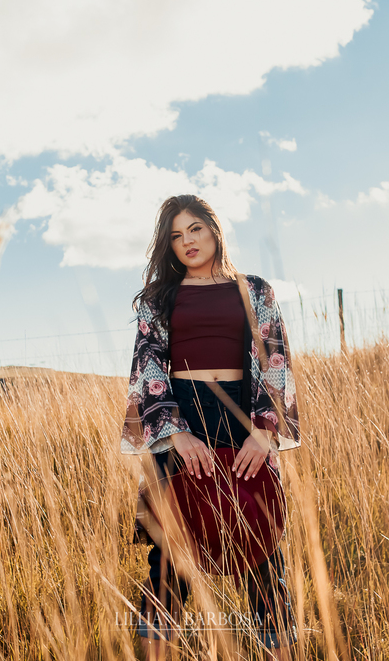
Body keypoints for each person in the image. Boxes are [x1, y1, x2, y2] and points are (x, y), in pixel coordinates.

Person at [121, 194, 301, 659]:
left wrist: (263, 429)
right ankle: (157, 647)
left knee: (258, 539)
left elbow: (274, 357)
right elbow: (147, 363)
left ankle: (278, 647)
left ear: (214, 229)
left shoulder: (255, 289)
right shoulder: (158, 298)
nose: (187, 242)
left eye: (194, 229)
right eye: (176, 236)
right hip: (180, 413)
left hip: (244, 415)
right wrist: (176, 431)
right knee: (172, 547)